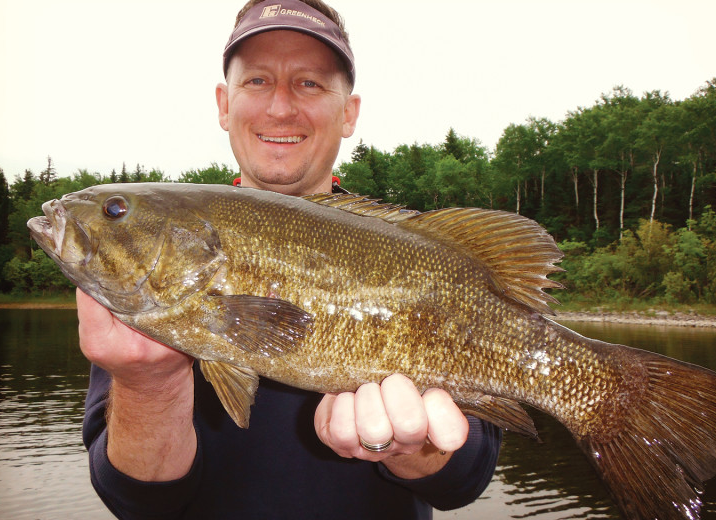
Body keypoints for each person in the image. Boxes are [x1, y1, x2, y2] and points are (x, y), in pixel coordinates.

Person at [80, 1, 502, 518]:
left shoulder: (416, 253)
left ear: (349, 112)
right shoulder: (153, 294)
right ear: (223, 103)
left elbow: (466, 477)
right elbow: (137, 502)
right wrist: (150, 384)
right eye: (257, 81)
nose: (280, 107)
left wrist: (414, 451)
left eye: (309, 83)